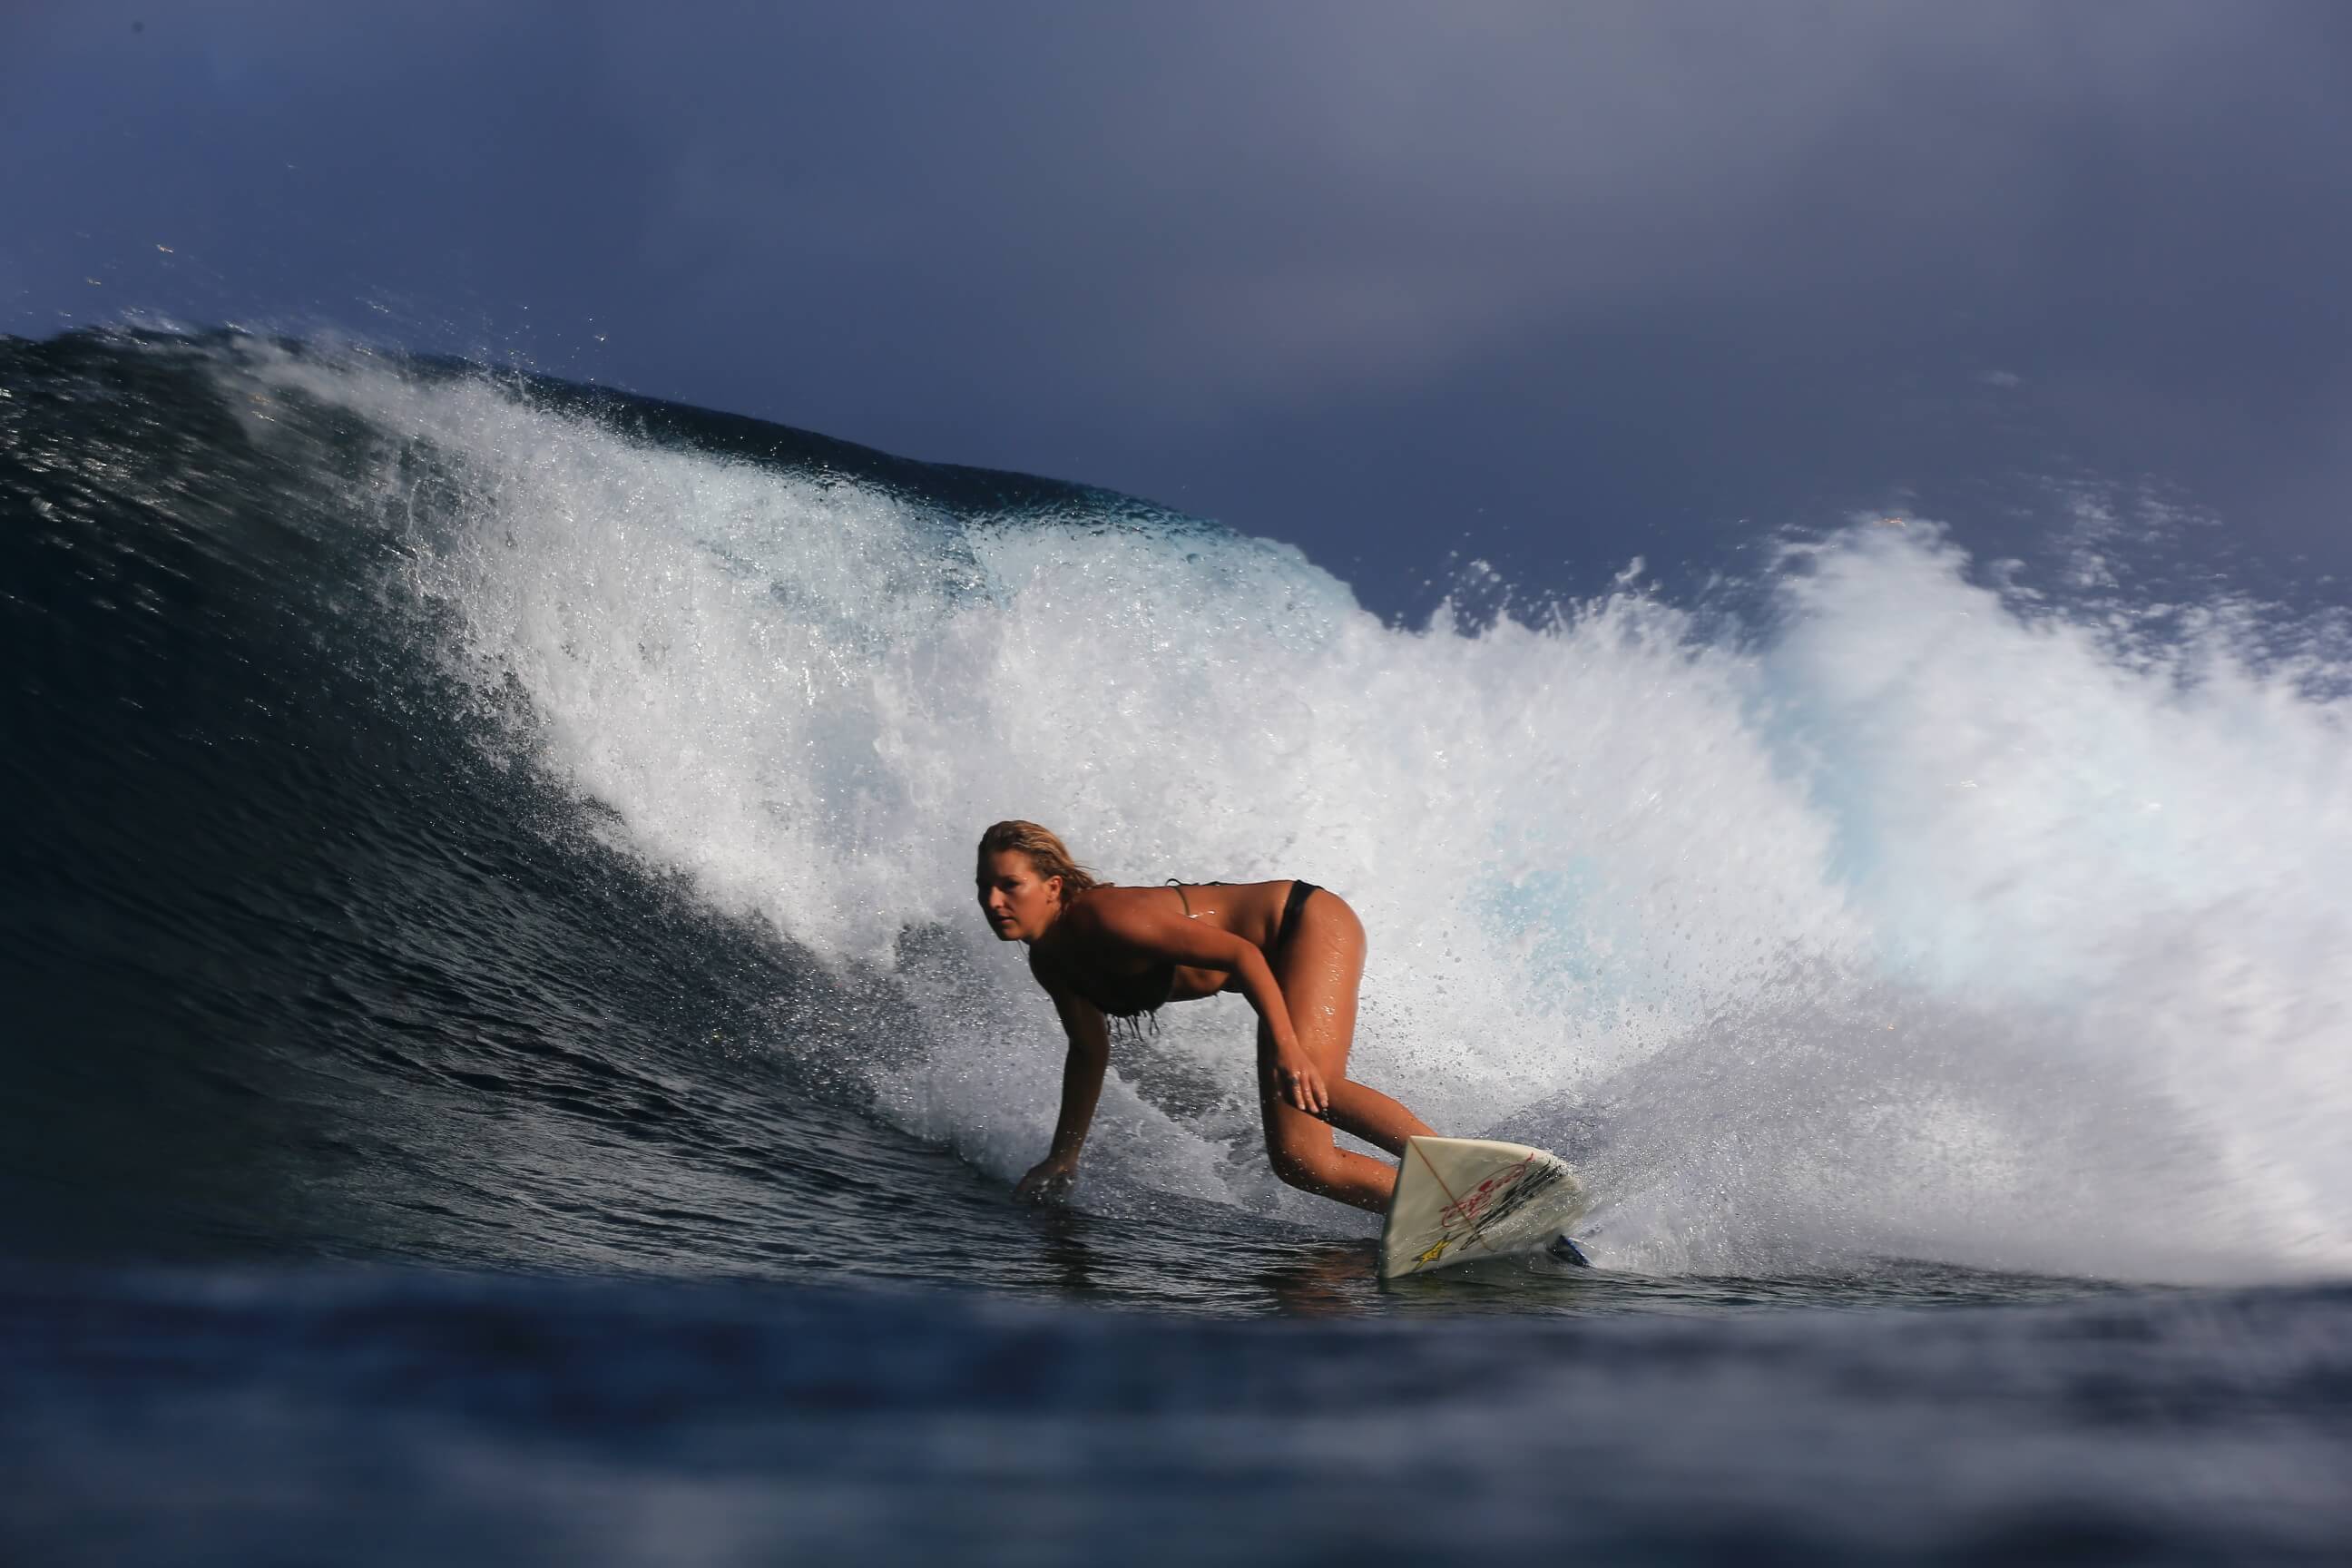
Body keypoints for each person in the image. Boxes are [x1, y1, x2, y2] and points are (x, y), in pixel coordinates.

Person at [975, 819, 1436, 1214]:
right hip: (1274, 963)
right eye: (984, 887)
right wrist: (1063, 1156)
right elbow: (1088, 1052)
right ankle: (1437, 1215)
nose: (993, 901)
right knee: (1301, 1161)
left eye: (1009, 886)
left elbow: (1241, 955)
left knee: (1311, 1081)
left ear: (1052, 886)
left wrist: (1289, 1049)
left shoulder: (1108, 919)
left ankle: (1463, 1175)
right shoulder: (1052, 961)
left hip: (1303, 923)